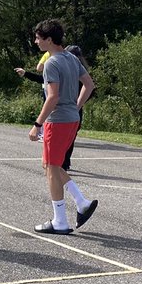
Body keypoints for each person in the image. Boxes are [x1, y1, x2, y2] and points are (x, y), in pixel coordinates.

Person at [27, 20, 97, 234]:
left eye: (38, 38)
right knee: (51, 165)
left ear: (49, 39)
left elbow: (53, 97)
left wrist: (37, 124)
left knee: (51, 168)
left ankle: (60, 221)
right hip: (72, 119)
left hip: (57, 121)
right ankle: (81, 202)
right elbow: (89, 85)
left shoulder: (52, 63)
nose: (36, 41)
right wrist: (76, 107)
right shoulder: (71, 58)